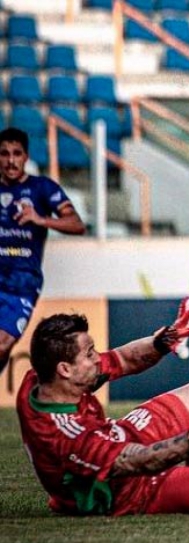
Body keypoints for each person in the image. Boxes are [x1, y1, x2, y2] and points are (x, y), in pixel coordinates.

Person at [17, 297, 189, 515]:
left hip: (122, 436)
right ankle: (185, 488)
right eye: (89, 354)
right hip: (132, 490)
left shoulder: (39, 380)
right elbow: (140, 460)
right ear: (65, 369)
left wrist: (161, 342)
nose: (97, 359)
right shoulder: (68, 438)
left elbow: (123, 359)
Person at [0, 127, 85, 376]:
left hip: (22, 282)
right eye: (4, 154)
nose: (11, 160)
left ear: (26, 157)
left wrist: (40, 219)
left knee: (2, 345)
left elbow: (77, 224)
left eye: (17, 153)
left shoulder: (42, 188)